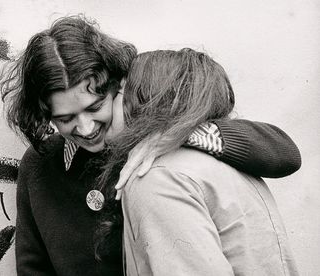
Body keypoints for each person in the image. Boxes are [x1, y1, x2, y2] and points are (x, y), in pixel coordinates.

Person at [0, 16, 301, 275]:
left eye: (94, 107)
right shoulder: (40, 165)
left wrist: (177, 135)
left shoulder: (160, 144)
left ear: (117, 87)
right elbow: (34, 268)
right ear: (45, 114)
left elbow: (284, 153)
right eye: (66, 118)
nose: (85, 128)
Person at [97, 49, 299, 275]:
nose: (110, 101)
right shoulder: (225, 161)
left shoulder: (155, 177)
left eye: (119, 92)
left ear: (144, 99)